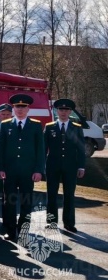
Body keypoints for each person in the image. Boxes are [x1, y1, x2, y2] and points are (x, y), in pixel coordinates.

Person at [0, 94, 45, 242]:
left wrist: (38, 170)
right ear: (14, 108)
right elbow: (0, 149)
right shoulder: (5, 125)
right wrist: (0, 168)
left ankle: (23, 232)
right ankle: (11, 231)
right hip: (9, 171)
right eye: (17, 107)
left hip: (28, 172)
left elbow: (40, 150)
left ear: (28, 109)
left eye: (23, 107)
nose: (20, 109)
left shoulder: (36, 125)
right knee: (9, 202)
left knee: (26, 202)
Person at [45, 98, 86, 233]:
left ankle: (69, 223)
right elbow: (44, 149)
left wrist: (81, 167)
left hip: (70, 166)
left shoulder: (77, 128)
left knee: (69, 194)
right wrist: (41, 166)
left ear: (70, 112)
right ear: (57, 111)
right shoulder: (50, 127)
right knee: (51, 194)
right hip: (53, 165)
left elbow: (81, 149)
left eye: (66, 110)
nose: (63, 112)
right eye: (61, 110)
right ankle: (51, 222)